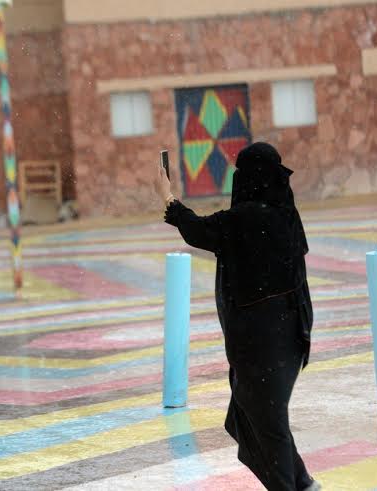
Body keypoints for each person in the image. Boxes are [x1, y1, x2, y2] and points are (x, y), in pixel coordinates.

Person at [155, 142, 318, 491]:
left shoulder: (245, 219)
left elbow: (196, 229)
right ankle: (302, 483)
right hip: (290, 335)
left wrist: (167, 196)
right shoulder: (286, 215)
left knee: (266, 421)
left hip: (262, 342)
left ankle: (294, 485)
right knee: (254, 417)